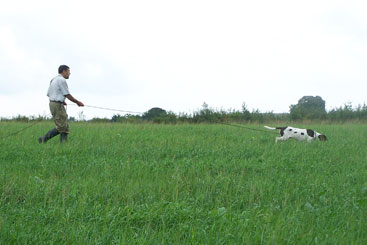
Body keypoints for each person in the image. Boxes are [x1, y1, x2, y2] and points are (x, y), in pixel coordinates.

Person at [38, 65, 84, 143]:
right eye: (68, 71)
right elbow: (67, 94)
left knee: (65, 127)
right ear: (64, 71)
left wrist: (62, 101)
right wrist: (77, 102)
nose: (70, 73)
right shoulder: (61, 80)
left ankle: (64, 146)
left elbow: (50, 93)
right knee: (61, 127)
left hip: (55, 104)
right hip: (57, 105)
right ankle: (43, 139)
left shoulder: (53, 79)